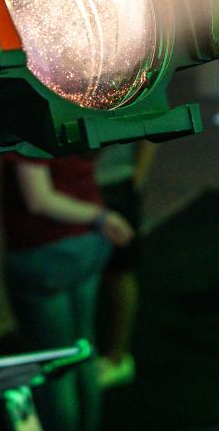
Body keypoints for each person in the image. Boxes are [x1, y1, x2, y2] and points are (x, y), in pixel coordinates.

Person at [1, 151, 134, 431]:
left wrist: (100, 217)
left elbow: (38, 199)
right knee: (83, 347)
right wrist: (100, 217)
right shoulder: (78, 119)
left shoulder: (30, 131)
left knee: (55, 362)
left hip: (43, 248)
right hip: (88, 242)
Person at [94, 140, 156, 388]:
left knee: (120, 270)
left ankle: (117, 356)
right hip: (80, 183)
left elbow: (149, 131)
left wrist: (136, 179)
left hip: (114, 180)